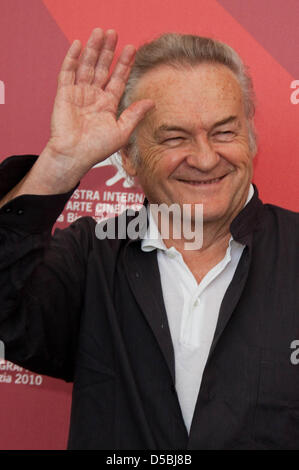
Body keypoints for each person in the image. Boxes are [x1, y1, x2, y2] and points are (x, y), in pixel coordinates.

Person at [0, 27, 298, 450]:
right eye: (174, 138)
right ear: (128, 156)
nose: (205, 158)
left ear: (250, 137)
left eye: (224, 132)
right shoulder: (89, 258)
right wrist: (59, 164)